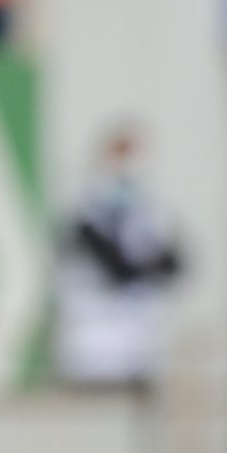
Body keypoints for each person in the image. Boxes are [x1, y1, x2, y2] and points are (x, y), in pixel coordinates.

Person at [57, 124, 185, 387]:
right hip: (94, 341)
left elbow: (175, 263)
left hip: (139, 340)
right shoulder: (87, 214)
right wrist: (147, 264)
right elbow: (116, 267)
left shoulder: (148, 212)